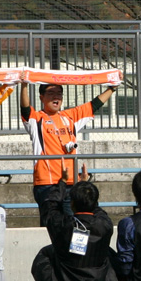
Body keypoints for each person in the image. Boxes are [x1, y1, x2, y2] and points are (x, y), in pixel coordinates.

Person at [21, 82, 117, 224]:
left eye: (59, 93)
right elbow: (25, 109)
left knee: (75, 225)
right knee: (51, 226)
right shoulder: (37, 118)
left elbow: (94, 104)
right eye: (51, 93)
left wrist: (112, 88)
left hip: (72, 183)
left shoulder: (69, 116)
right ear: (41, 98)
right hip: (48, 184)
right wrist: (24, 85)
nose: (56, 97)